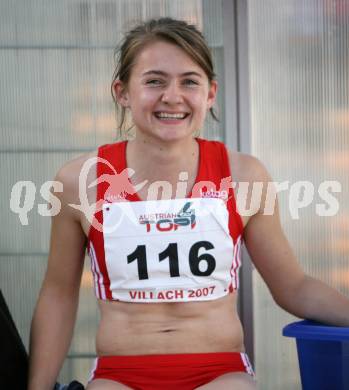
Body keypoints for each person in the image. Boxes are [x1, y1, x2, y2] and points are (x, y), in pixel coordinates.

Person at [28, 17, 349, 390]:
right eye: (154, 81)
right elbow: (58, 295)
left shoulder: (245, 175)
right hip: (120, 375)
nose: (172, 96)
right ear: (122, 92)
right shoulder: (78, 181)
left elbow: (292, 286)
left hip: (219, 372)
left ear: (210, 94)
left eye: (189, 82)